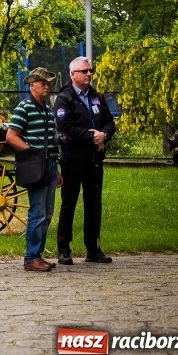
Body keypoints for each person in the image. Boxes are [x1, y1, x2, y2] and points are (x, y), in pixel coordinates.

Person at [53, 57, 116, 266]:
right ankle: (64, 249)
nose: (89, 74)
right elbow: (65, 126)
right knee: (68, 204)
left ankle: (93, 248)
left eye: (90, 70)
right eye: (84, 71)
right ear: (73, 75)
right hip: (73, 159)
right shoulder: (65, 98)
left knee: (94, 204)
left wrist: (103, 135)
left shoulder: (97, 96)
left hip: (95, 159)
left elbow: (109, 122)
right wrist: (91, 136)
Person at [6, 67, 63, 272]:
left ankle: (37, 254)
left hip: (49, 166)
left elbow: (49, 141)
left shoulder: (47, 109)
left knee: (47, 214)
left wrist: (55, 169)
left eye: (48, 83)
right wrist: (32, 153)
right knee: (37, 213)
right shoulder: (25, 107)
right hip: (36, 166)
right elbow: (11, 136)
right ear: (32, 86)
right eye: (43, 84)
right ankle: (31, 257)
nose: (47, 87)